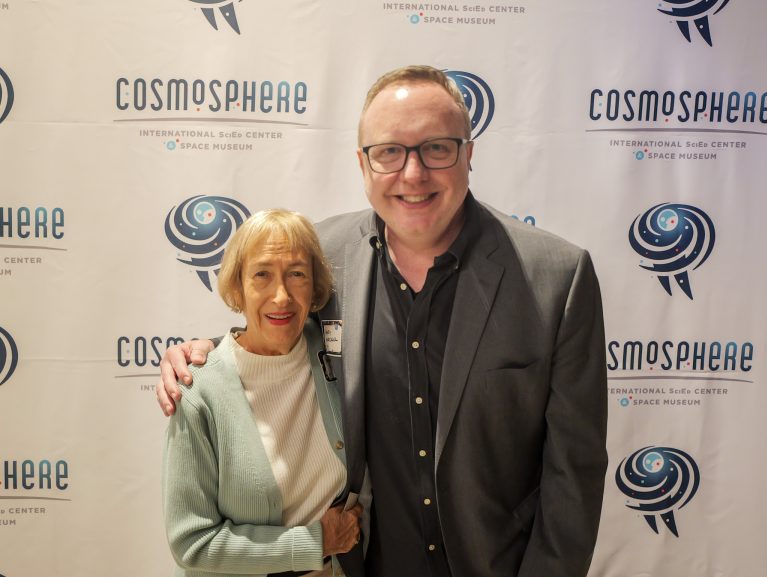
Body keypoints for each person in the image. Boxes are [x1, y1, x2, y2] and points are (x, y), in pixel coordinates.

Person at [158, 65, 608, 577]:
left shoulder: (556, 279)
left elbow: (574, 473)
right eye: (389, 152)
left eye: (436, 148)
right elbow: (271, 328)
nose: (413, 174)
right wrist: (200, 355)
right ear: (363, 163)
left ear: (468, 154)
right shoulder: (323, 259)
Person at [162, 209, 362, 577]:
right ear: (237, 287)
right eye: (262, 275)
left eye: (297, 274)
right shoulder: (197, 390)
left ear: (315, 286)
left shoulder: (338, 356)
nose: (281, 296)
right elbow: (192, 542)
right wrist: (316, 543)